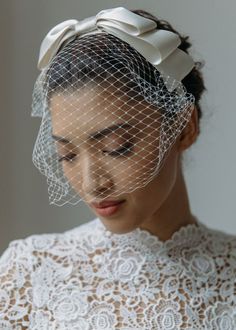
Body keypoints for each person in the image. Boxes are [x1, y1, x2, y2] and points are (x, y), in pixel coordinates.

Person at [0, 6, 236, 329]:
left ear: (184, 128)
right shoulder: (27, 274)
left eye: (116, 147)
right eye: (66, 154)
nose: (90, 183)